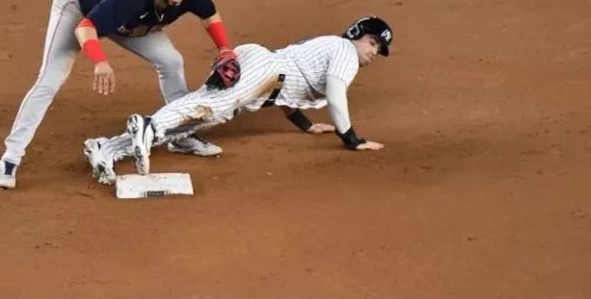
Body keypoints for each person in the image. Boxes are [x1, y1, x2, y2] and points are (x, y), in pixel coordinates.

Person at [0, 0, 238, 189]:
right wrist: (100, 60)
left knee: (171, 61)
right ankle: (10, 158)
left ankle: (181, 135)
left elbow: (211, 17)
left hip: (129, 23)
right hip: (80, 8)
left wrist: (225, 49)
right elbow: (85, 28)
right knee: (50, 80)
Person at [83, 16, 393, 184]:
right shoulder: (345, 52)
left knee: (200, 115)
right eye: (372, 42)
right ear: (356, 34)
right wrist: (351, 138)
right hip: (265, 70)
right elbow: (336, 95)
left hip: (264, 75)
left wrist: (305, 125)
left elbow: (289, 90)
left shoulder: (330, 48)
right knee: (210, 107)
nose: (372, 51)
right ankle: (149, 125)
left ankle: (106, 148)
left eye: (378, 49)